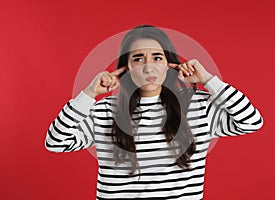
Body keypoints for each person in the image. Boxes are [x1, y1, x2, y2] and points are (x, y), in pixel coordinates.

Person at [45, 25, 263, 200]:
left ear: (169, 64)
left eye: (157, 57)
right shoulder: (104, 111)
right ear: (126, 67)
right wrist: (89, 93)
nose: (148, 67)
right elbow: (55, 142)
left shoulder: (197, 106)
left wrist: (208, 80)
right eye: (138, 58)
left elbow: (251, 121)